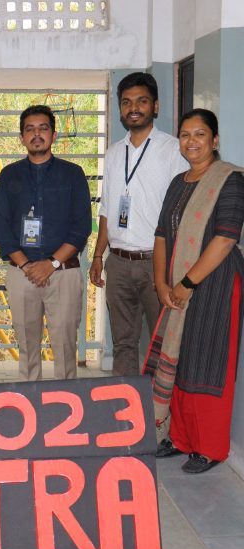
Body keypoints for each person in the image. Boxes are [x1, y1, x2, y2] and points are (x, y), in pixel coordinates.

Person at [143, 108, 244, 473]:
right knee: (180, 361)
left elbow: (225, 239)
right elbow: (160, 235)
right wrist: (161, 283)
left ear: (214, 140)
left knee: (206, 363)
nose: (191, 141)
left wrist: (187, 284)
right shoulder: (178, 182)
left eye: (200, 134)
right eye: (185, 135)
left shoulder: (230, 180)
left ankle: (209, 447)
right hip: (175, 285)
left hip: (215, 286)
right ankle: (180, 437)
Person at [90, 72, 189, 376]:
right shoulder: (113, 153)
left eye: (141, 101)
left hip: (157, 264)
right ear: (120, 109)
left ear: (155, 106)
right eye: (126, 102)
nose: (133, 108)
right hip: (118, 263)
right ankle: (124, 402)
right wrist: (98, 255)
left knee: (165, 343)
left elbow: (182, 211)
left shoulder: (173, 150)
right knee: (123, 344)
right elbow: (107, 208)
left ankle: (160, 403)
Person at [0, 105, 91, 381]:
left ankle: (66, 401)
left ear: (54, 135)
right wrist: (28, 266)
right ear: (22, 137)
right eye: (30, 129)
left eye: (43, 128)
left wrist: (51, 264)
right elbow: (2, 229)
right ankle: (30, 401)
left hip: (64, 273)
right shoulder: (9, 175)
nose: (37, 134)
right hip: (21, 274)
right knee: (27, 348)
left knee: (65, 347)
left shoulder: (73, 174)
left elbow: (81, 228)